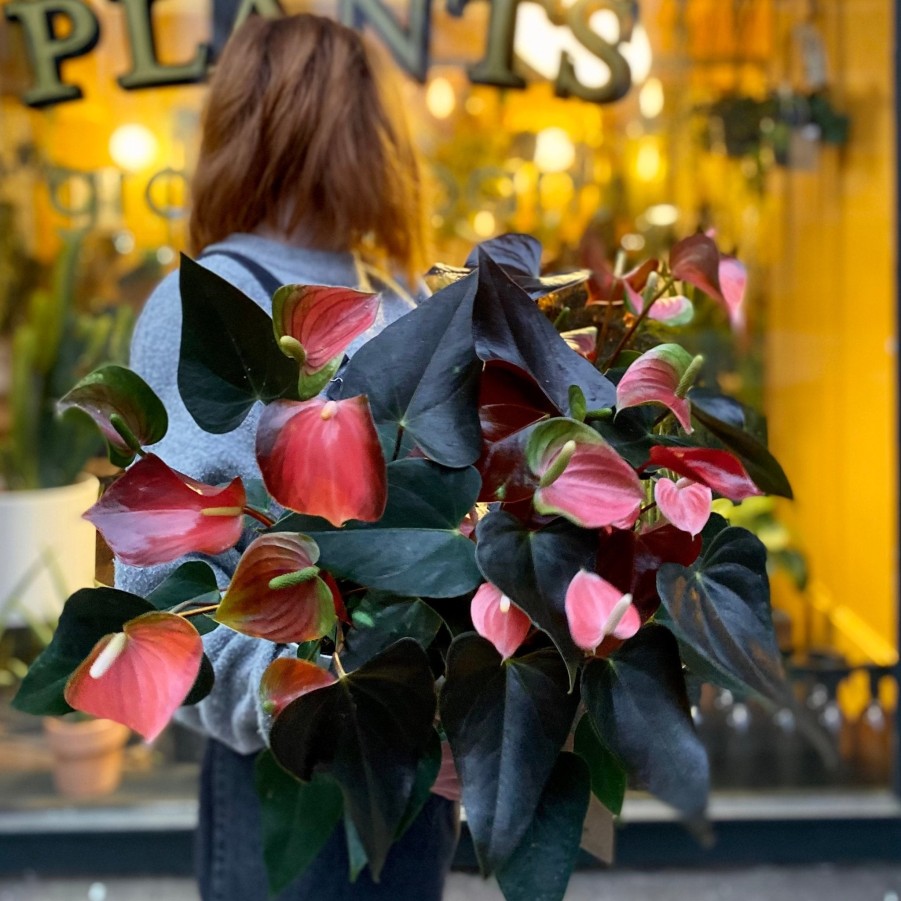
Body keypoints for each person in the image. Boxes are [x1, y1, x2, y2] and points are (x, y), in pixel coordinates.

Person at [116, 14, 458, 900]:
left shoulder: (394, 295)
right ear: (361, 131)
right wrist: (316, 706)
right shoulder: (215, 301)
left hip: (406, 770)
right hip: (299, 764)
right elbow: (162, 584)